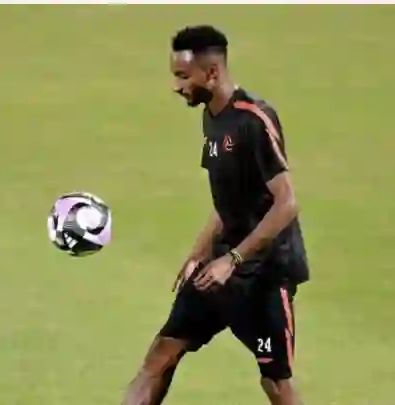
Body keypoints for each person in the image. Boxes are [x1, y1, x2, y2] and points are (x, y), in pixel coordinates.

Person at [120, 25, 311, 405]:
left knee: (275, 382)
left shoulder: (254, 119)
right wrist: (199, 254)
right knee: (161, 354)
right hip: (218, 269)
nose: (176, 86)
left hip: (263, 277)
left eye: (182, 76)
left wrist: (233, 259)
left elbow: (287, 203)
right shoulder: (211, 116)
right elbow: (227, 202)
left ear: (211, 73)